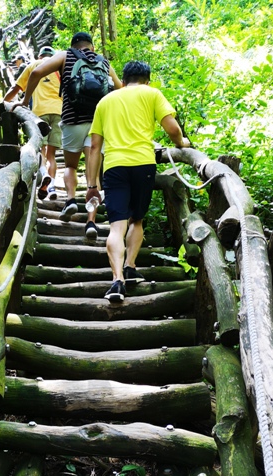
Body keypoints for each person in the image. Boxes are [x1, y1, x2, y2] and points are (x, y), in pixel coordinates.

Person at [86, 60, 190, 302]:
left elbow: (94, 146)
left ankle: (117, 280)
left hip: (114, 166)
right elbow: (173, 129)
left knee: (116, 226)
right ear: (147, 79)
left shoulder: (105, 101)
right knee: (137, 219)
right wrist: (181, 144)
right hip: (143, 164)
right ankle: (131, 266)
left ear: (122, 81)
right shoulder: (152, 94)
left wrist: (92, 185)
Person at [20, 32, 122, 238]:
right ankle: (91, 223)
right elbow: (120, 89)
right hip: (97, 123)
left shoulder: (65, 56)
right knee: (93, 176)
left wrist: (25, 101)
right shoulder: (103, 61)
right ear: (91, 47)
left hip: (72, 120)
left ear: (74, 45)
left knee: (71, 166)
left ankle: (71, 200)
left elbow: (36, 73)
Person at [4, 46, 62, 199]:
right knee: (52, 155)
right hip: (59, 111)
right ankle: (53, 187)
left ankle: (44, 174)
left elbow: (16, 88)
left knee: (41, 150)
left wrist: (4, 102)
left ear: (40, 55)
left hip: (40, 112)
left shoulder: (33, 65)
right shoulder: (59, 66)